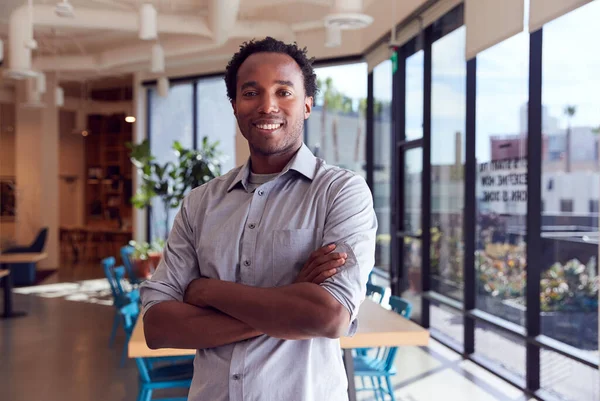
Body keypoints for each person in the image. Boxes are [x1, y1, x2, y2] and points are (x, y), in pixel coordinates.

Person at [140, 36, 377, 401]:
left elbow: (328, 317)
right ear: (235, 105)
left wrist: (208, 291)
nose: (268, 106)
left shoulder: (341, 193)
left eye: (284, 92)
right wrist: (287, 304)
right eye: (251, 93)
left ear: (308, 104)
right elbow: (158, 328)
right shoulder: (200, 204)